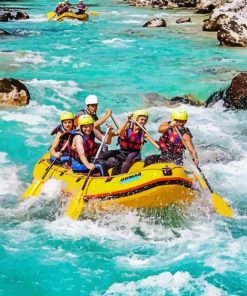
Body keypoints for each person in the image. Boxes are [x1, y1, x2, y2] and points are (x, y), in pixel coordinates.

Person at [99, 110, 159, 175]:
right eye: (142, 119)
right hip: (123, 151)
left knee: (129, 159)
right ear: (136, 119)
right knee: (107, 155)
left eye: (145, 120)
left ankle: (122, 176)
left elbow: (152, 141)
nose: (143, 122)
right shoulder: (128, 125)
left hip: (135, 153)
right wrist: (127, 120)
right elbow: (119, 132)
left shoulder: (143, 131)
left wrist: (159, 147)